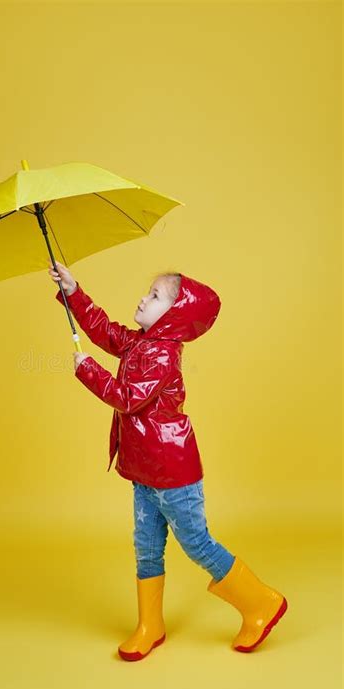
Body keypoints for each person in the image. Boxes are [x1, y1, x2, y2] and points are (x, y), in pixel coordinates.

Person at [48, 259, 288, 661]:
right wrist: (73, 291)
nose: (144, 297)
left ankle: (261, 603)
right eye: (149, 291)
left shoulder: (161, 356)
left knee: (196, 543)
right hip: (144, 473)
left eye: (155, 296)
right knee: (146, 547)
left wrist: (87, 370)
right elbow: (106, 332)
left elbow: (126, 397)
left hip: (173, 473)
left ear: (173, 316)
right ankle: (149, 625)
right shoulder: (142, 343)